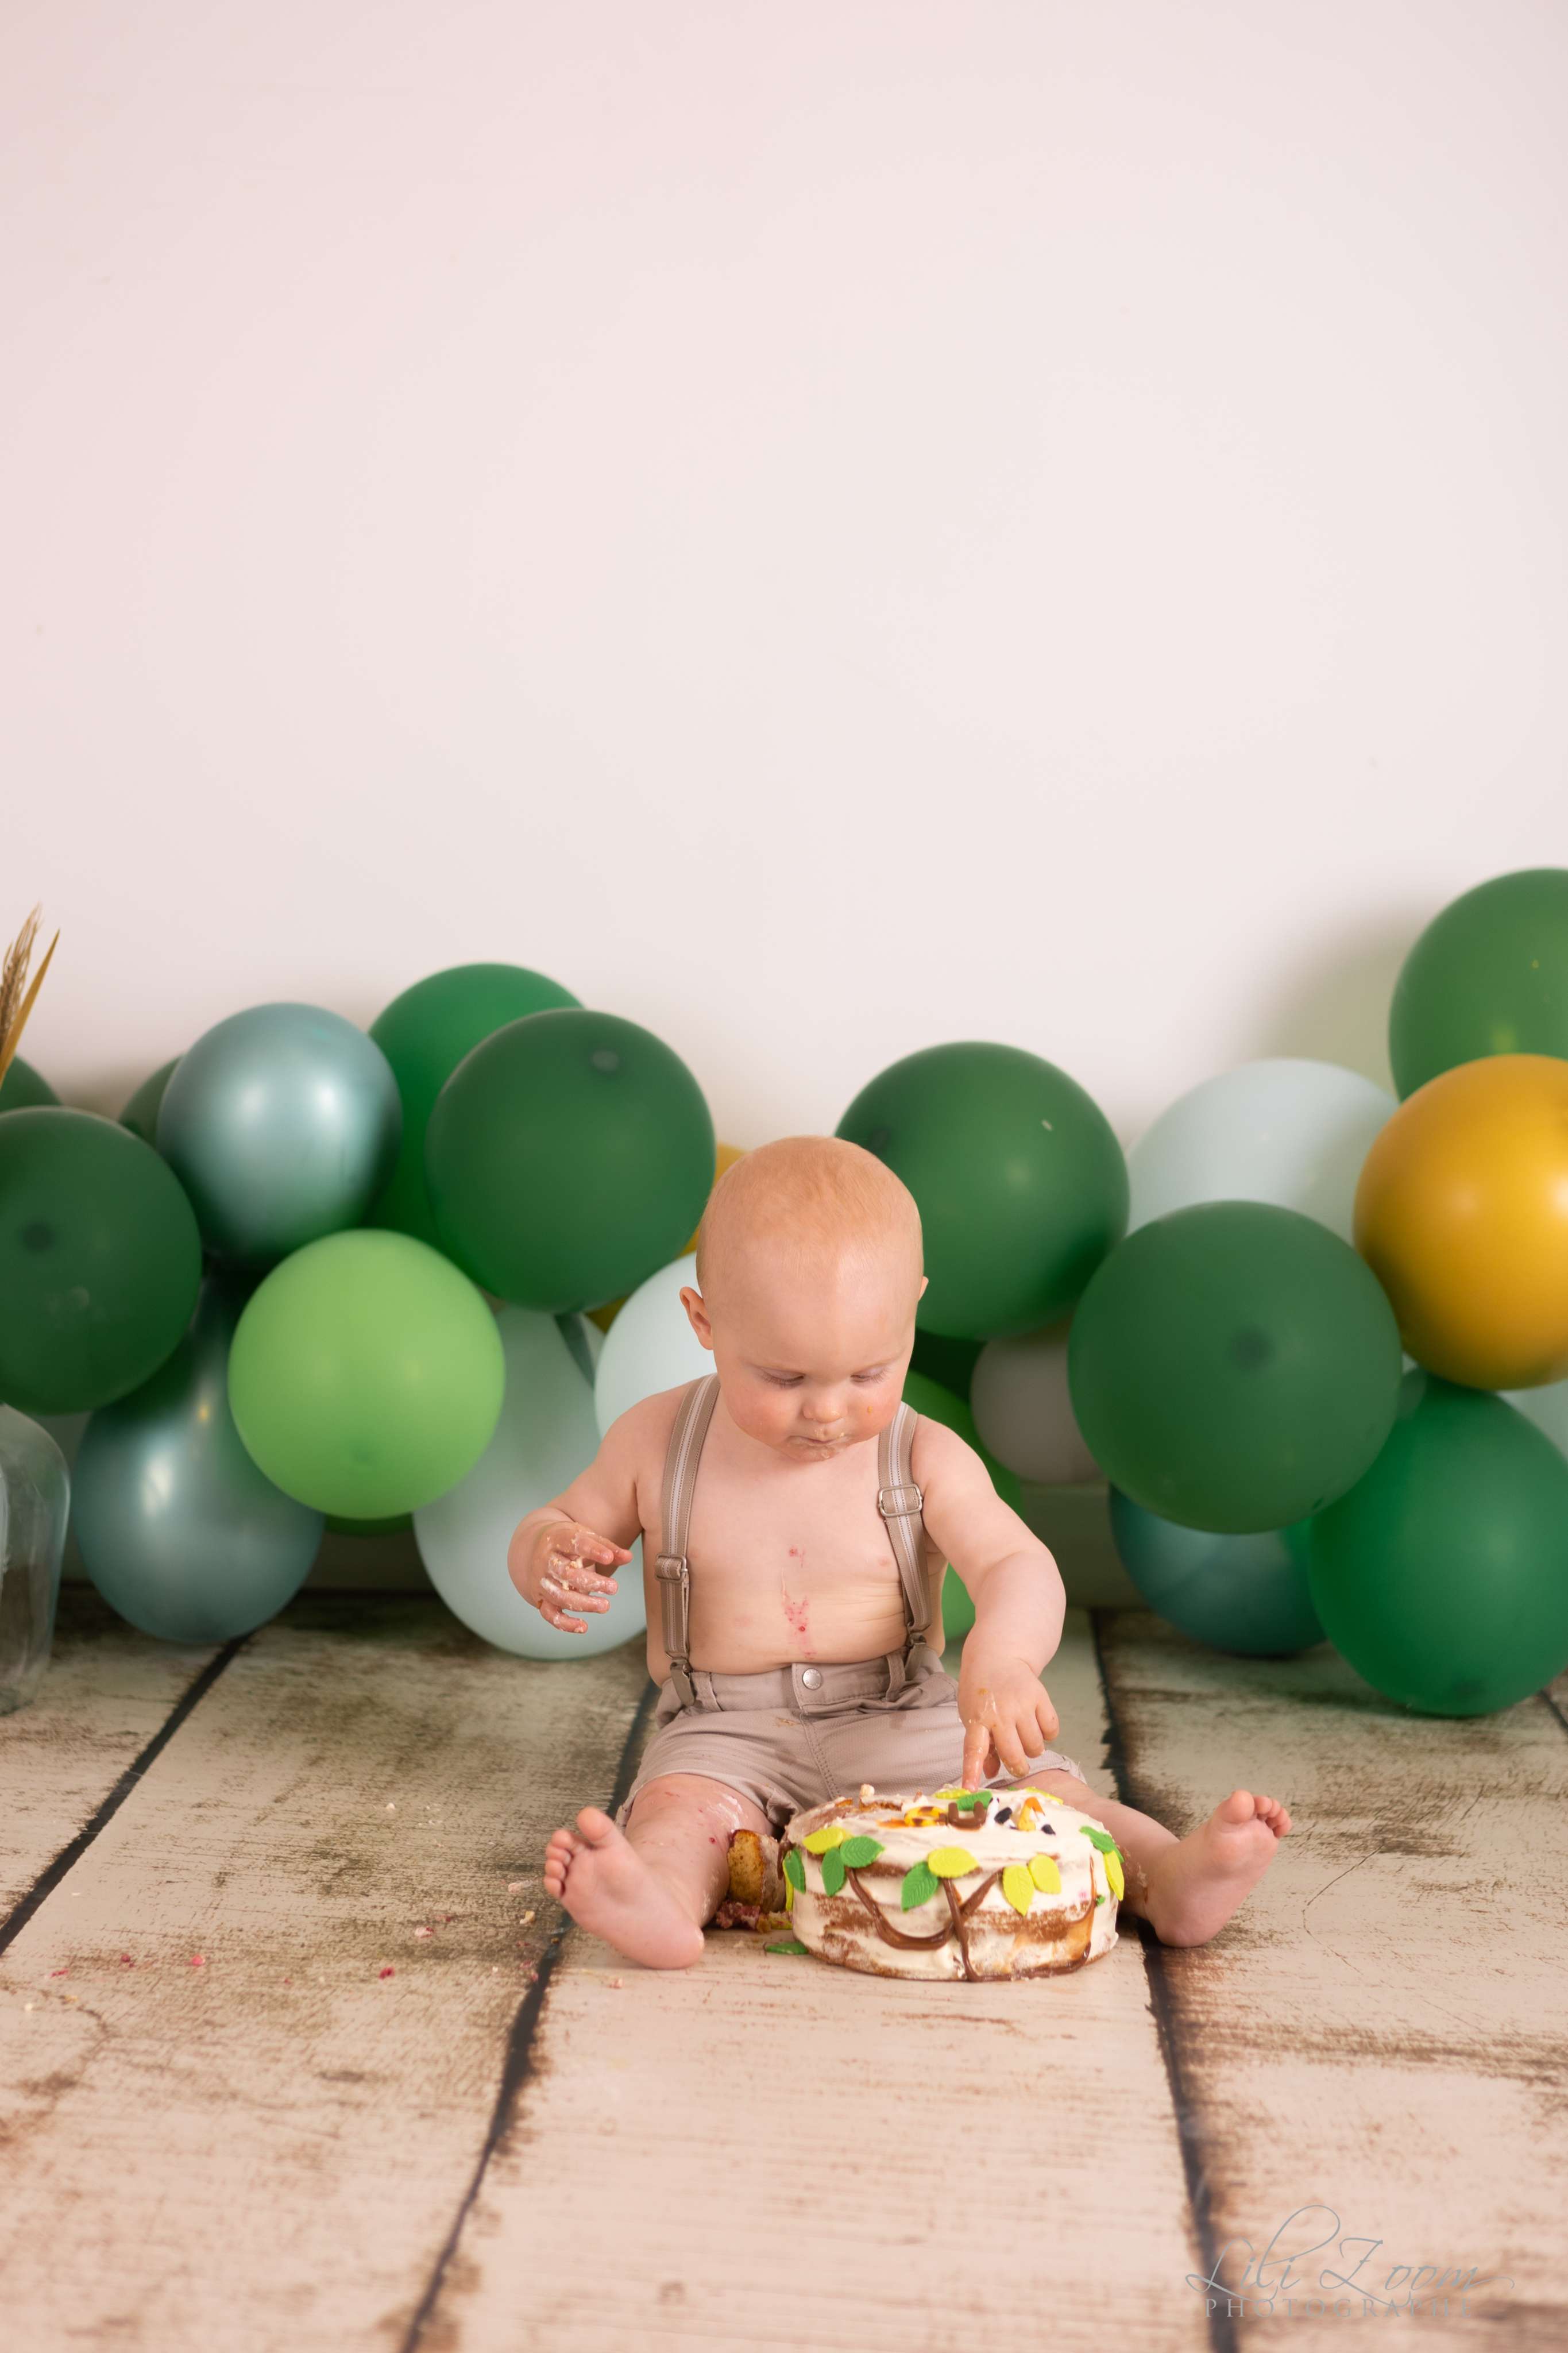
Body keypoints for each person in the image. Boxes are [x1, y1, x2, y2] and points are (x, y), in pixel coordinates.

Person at [509, 1135, 1291, 1969]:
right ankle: (659, 1901)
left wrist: (1003, 1656)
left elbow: (1013, 1563)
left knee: (1045, 1800)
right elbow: (558, 1518)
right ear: (705, 1322)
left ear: (910, 1311)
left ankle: (1166, 1875)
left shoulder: (921, 1457)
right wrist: (548, 1551)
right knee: (679, 1813)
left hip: (901, 1716)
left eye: (867, 1373)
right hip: (722, 1727)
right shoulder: (656, 1441)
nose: (828, 1411)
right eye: (782, 1378)